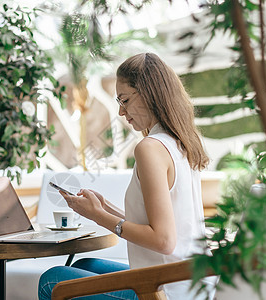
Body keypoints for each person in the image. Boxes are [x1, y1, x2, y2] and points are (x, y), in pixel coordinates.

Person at [38, 52, 213, 300]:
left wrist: (96, 215)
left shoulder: (150, 148)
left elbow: (163, 240)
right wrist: (104, 209)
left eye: (125, 100)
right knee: (86, 265)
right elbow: (161, 224)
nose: (121, 112)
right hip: (191, 283)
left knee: (52, 281)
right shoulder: (179, 142)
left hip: (167, 291)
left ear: (150, 94)